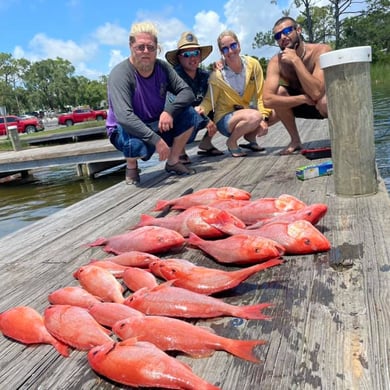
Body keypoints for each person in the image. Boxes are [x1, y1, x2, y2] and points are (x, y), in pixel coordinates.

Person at [106, 21, 200, 185]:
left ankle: (172, 161)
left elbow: (187, 92)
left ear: (157, 49)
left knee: (191, 115)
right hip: (125, 129)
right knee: (134, 146)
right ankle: (131, 166)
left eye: (150, 47)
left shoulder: (162, 67)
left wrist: (169, 110)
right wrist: (156, 140)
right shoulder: (120, 73)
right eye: (140, 47)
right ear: (131, 46)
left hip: (154, 122)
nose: (146, 52)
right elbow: (124, 116)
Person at [196, 30, 275, 158]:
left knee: (279, 108)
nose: (231, 51)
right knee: (254, 116)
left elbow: (261, 94)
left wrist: (264, 119)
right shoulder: (217, 75)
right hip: (225, 119)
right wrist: (200, 109)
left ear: (239, 45)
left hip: (246, 113)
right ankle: (231, 142)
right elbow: (209, 102)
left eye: (233, 46)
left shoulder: (253, 64)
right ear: (222, 53)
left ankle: (250, 136)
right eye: (225, 49)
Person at [263, 16, 332, 155]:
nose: (283, 36)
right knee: (280, 92)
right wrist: (302, 99)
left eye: (287, 31)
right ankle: (295, 140)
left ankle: (341, 135)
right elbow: (267, 100)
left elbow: (317, 92)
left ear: (298, 30)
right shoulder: (276, 62)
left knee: (324, 100)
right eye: (277, 36)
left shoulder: (321, 51)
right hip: (303, 103)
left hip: (326, 105)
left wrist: (295, 60)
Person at [165, 31, 223, 162]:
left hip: (199, 114)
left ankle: (206, 143)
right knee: (183, 114)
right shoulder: (173, 78)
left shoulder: (204, 75)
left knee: (222, 104)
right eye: (186, 54)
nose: (192, 58)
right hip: (180, 118)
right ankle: (179, 150)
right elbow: (177, 106)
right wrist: (206, 120)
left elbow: (218, 86)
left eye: (195, 53)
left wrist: (220, 67)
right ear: (179, 58)